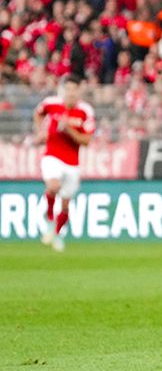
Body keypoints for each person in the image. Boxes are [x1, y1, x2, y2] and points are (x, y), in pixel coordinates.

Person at [33, 74, 95, 252]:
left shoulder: (85, 111)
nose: (70, 93)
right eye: (67, 89)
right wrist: (40, 131)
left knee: (66, 204)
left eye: (74, 90)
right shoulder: (51, 103)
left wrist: (68, 129)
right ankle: (49, 220)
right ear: (62, 90)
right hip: (52, 154)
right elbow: (37, 114)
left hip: (72, 162)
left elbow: (87, 141)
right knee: (53, 186)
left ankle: (57, 234)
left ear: (79, 91)